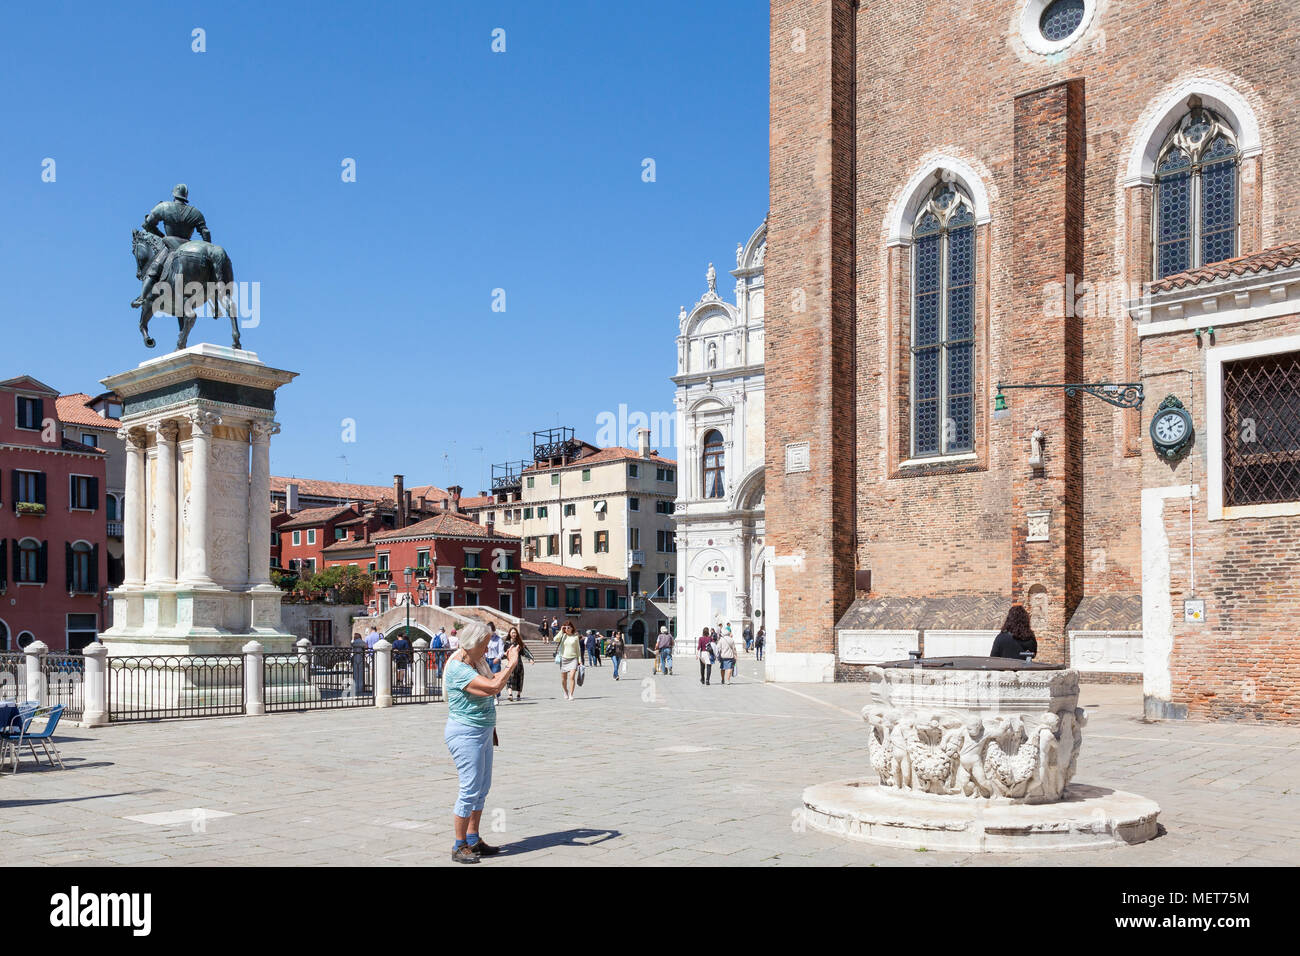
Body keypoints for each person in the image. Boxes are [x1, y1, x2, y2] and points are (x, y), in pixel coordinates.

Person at [443, 623, 520, 863]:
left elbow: (493, 678)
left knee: (482, 788)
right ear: (472, 644)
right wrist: (512, 664)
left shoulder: (477, 663)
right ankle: (459, 845)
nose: (487, 650)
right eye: (484, 646)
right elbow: (493, 687)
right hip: (466, 733)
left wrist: (504, 667)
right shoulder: (458, 668)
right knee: (469, 789)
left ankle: (473, 838)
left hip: (483, 731)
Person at [131, 184, 212, 309]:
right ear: (185, 196)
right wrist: (207, 248)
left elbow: (148, 225)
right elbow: (205, 232)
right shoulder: (196, 212)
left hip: (170, 244)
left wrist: (161, 235)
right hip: (189, 245)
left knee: (154, 269)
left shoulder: (164, 206)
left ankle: (142, 297)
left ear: (174, 194)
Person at [555, 622, 583, 701]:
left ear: (572, 628)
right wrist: (561, 631)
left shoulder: (575, 637)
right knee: (563, 679)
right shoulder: (563, 636)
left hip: (573, 659)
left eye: (568, 627)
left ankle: (571, 694)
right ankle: (565, 691)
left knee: (572, 677)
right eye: (565, 627)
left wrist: (579, 660)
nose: (567, 629)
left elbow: (578, 649)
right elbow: (555, 639)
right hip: (564, 659)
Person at [504, 626, 532, 701]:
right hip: (510, 664)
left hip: (519, 664)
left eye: (515, 633)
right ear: (509, 633)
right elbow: (503, 653)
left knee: (519, 679)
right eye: (512, 632)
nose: (514, 634)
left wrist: (530, 659)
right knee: (509, 679)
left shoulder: (519, 643)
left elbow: (525, 651)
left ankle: (518, 694)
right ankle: (510, 694)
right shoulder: (506, 643)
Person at [350, 631, 367, 696]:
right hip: (360, 658)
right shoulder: (362, 642)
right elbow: (365, 646)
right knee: (360, 673)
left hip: (355, 658)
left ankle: (356, 687)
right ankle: (360, 687)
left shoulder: (354, 643)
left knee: (355, 673)